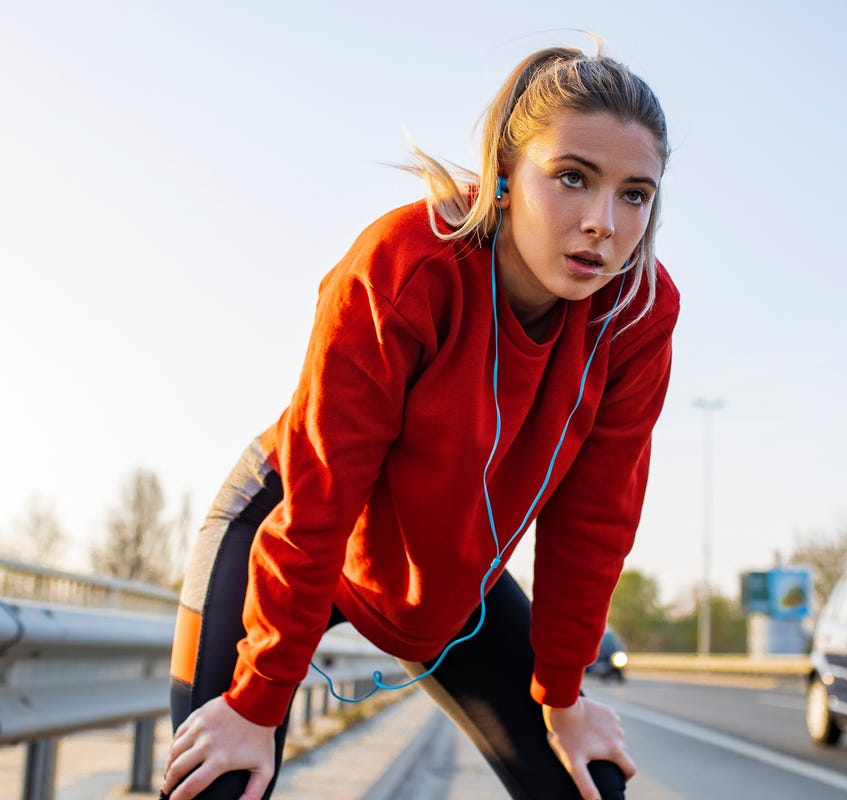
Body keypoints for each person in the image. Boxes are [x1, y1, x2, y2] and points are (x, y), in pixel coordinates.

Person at [161, 41, 678, 800]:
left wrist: (563, 696)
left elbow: (594, 520)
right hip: (301, 520)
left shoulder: (637, 313)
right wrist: (257, 702)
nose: (603, 222)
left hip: (449, 561)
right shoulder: (406, 264)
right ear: (503, 175)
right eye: (572, 177)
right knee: (217, 779)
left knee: (586, 784)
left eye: (635, 193)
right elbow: (321, 500)